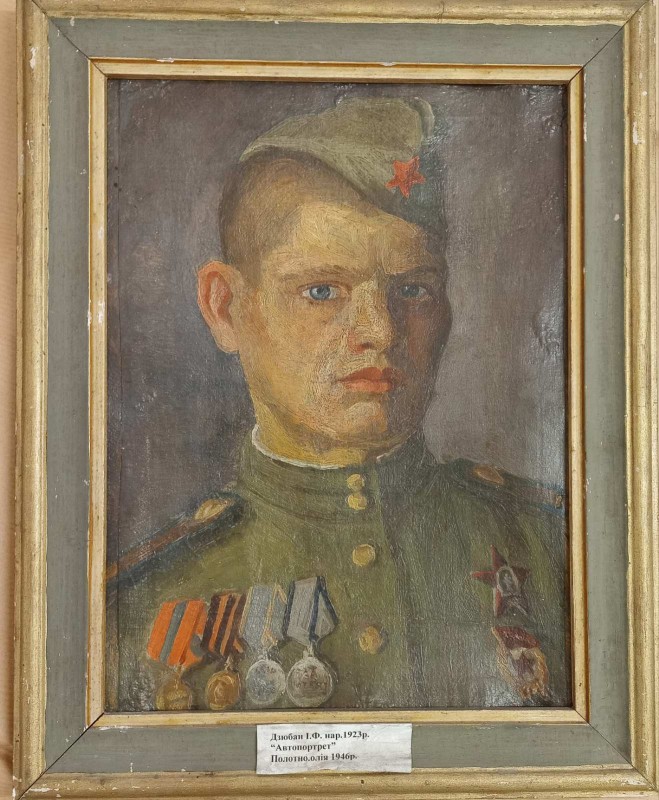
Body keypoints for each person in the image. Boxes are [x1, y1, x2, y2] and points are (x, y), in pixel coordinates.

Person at [107, 97, 569, 712]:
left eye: (414, 289)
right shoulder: (139, 600)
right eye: (322, 291)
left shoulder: (552, 544)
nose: (381, 329)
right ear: (225, 307)